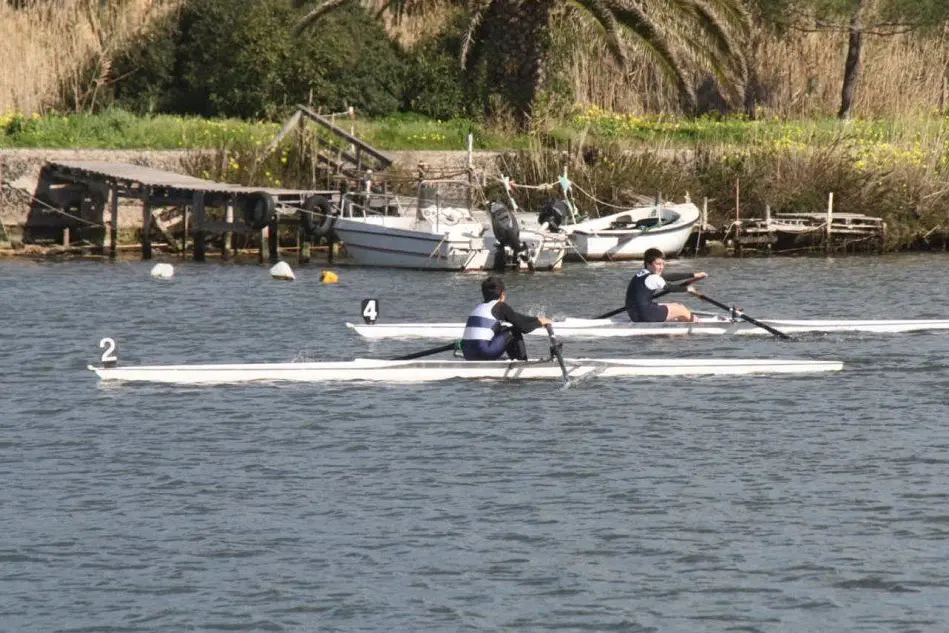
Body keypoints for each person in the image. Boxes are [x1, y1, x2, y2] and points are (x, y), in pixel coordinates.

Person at [462, 276, 551, 361]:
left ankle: (514, 360)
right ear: (502, 294)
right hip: (484, 353)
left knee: (503, 328)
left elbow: (517, 317)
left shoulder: (478, 308)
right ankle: (521, 362)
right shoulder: (501, 306)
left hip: (467, 354)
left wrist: (537, 319)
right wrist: (539, 323)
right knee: (513, 330)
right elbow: (524, 328)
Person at [625, 248, 707, 322]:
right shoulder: (653, 277)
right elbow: (670, 288)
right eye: (658, 264)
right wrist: (688, 289)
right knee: (680, 308)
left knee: (674, 305)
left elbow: (670, 277)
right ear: (648, 264)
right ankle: (699, 323)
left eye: (663, 264)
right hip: (645, 315)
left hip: (634, 315)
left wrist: (693, 275)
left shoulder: (641, 274)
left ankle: (683, 322)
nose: (661, 267)